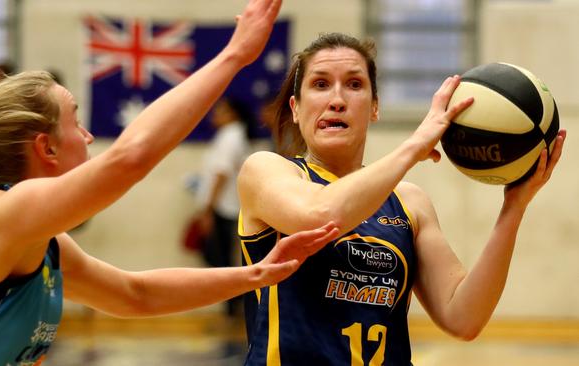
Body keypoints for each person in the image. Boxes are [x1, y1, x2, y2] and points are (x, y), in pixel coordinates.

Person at [0, 1, 342, 365]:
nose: (88, 136)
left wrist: (258, 273)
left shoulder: (43, 244)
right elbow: (129, 159)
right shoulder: (0, 213)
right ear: (46, 148)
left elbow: (135, 294)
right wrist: (235, 55)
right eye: (75, 120)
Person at [236, 32, 566, 365]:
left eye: (354, 85)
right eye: (320, 85)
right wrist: (414, 145)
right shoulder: (268, 171)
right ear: (296, 108)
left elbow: (464, 318)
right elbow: (320, 214)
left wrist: (514, 207)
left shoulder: (409, 202)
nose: (336, 99)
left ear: (375, 107)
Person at [193, 97, 255, 317]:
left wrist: (209, 208)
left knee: (221, 260)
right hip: (223, 206)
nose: (215, 115)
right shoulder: (228, 136)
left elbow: (222, 173)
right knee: (220, 258)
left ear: (232, 114)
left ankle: (234, 307)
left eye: (221, 111)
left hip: (225, 207)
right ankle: (233, 305)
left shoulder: (231, 137)